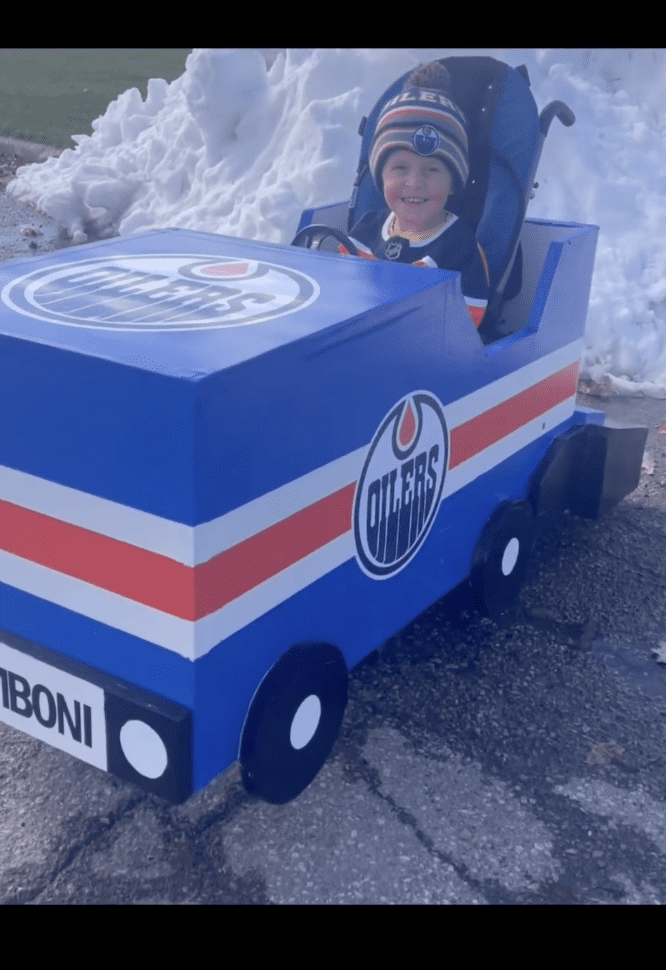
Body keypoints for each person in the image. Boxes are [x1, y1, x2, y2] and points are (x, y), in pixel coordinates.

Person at [342, 62, 490, 329]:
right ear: (381, 177)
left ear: (453, 183)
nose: (414, 182)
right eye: (399, 168)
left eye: (432, 169)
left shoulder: (460, 250)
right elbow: (339, 296)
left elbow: (464, 330)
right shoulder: (364, 233)